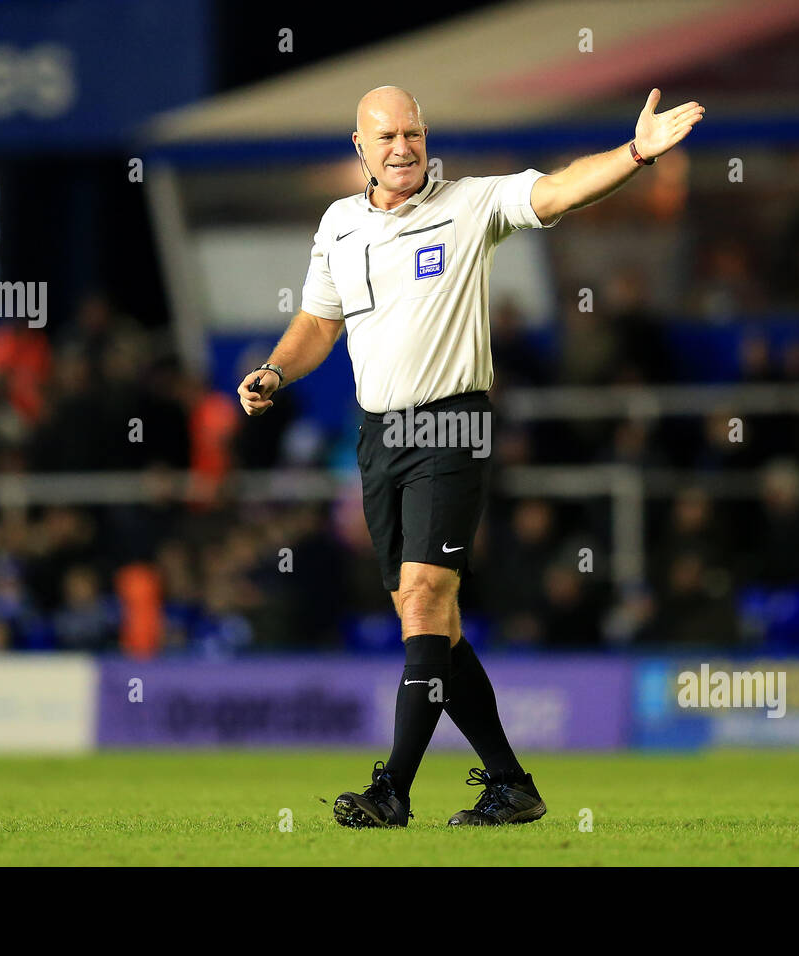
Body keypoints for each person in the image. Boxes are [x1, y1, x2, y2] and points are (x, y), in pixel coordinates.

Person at [237, 85, 703, 827]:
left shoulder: (470, 205)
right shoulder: (339, 225)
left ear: (427, 136)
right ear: (359, 147)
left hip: (451, 425)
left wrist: (637, 152)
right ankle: (512, 784)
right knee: (431, 627)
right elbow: (318, 325)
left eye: (413, 132)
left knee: (424, 599)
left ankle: (393, 789)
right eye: (386, 135)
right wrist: (274, 370)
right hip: (378, 437)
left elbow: (556, 192)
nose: (402, 147)